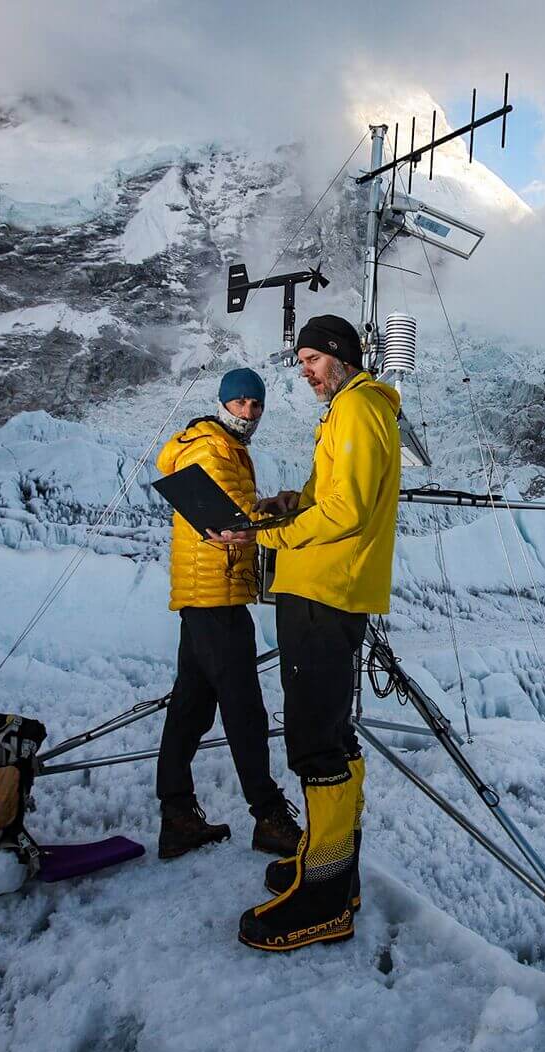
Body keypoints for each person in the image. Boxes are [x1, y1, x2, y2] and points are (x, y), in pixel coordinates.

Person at [207, 314, 401, 951]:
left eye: (312, 359)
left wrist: (271, 534)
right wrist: (288, 503)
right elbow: (333, 497)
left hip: (323, 592)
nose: (306, 372)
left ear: (340, 356)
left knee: (316, 745)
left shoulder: (356, 409)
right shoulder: (352, 411)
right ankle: (329, 866)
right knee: (331, 738)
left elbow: (347, 511)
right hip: (326, 591)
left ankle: (324, 901)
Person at [153, 367, 302, 861]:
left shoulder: (224, 447)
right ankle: (268, 816)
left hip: (209, 594)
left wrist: (269, 504)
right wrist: (287, 513)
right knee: (244, 710)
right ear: (223, 403)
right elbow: (230, 522)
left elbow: (236, 510)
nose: (249, 413)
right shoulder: (211, 449)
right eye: (240, 403)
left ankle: (177, 817)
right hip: (214, 594)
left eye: (256, 405)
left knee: (191, 707)